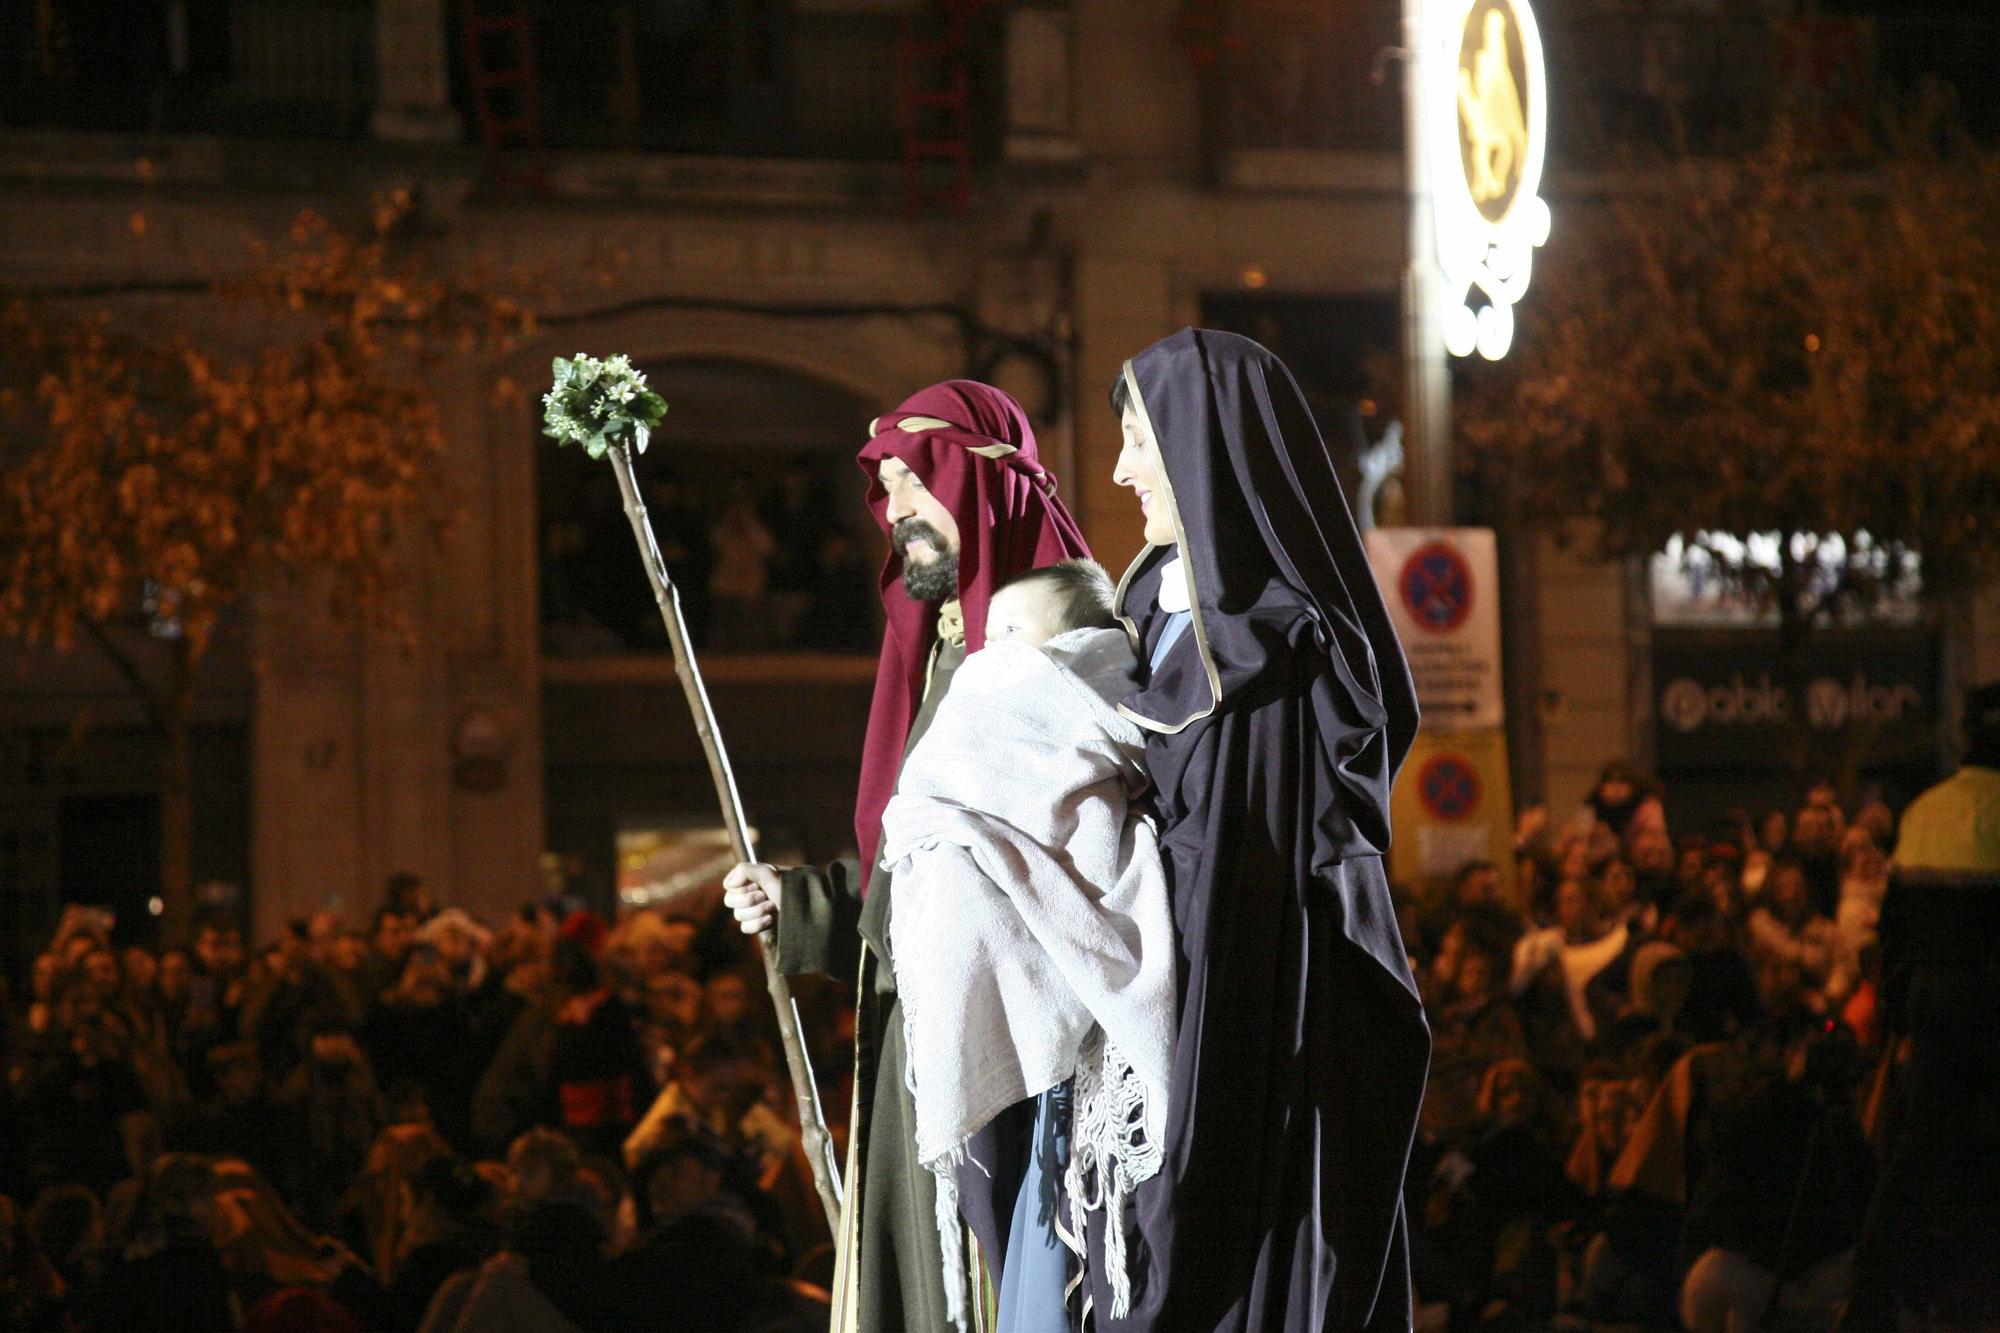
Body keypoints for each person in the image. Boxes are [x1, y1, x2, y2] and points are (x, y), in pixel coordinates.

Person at [722, 381, 1088, 1332]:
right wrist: (801, 901)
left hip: (1013, 1057)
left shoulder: (1058, 650)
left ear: (985, 485)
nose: (898, 516)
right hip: (910, 1043)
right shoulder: (937, 657)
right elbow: (906, 875)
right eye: (886, 491)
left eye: (916, 484)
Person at [1095, 329, 1427, 1330]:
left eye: (1138, 440)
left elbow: (1235, 913)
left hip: (1236, 1069)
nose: (1118, 471)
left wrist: (1182, 1162)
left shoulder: (1260, 657)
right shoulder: (1159, 608)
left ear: (1199, 443)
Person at [880, 559, 1177, 1327]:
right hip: (984, 942)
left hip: (1047, 961)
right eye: (995, 630)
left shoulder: (1073, 677)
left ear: (1075, 637)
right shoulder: (984, 687)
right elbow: (937, 790)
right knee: (1017, 1205)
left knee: (1053, 1214)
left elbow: (1072, 756)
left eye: (1017, 629)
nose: (996, 649)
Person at [1844, 682, 2000, 1329]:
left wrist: (1899, 1014)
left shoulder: (1925, 809)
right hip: (1989, 996)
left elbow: (1894, 927)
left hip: (1931, 1001)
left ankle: (1873, 1292)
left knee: (1917, 1146)